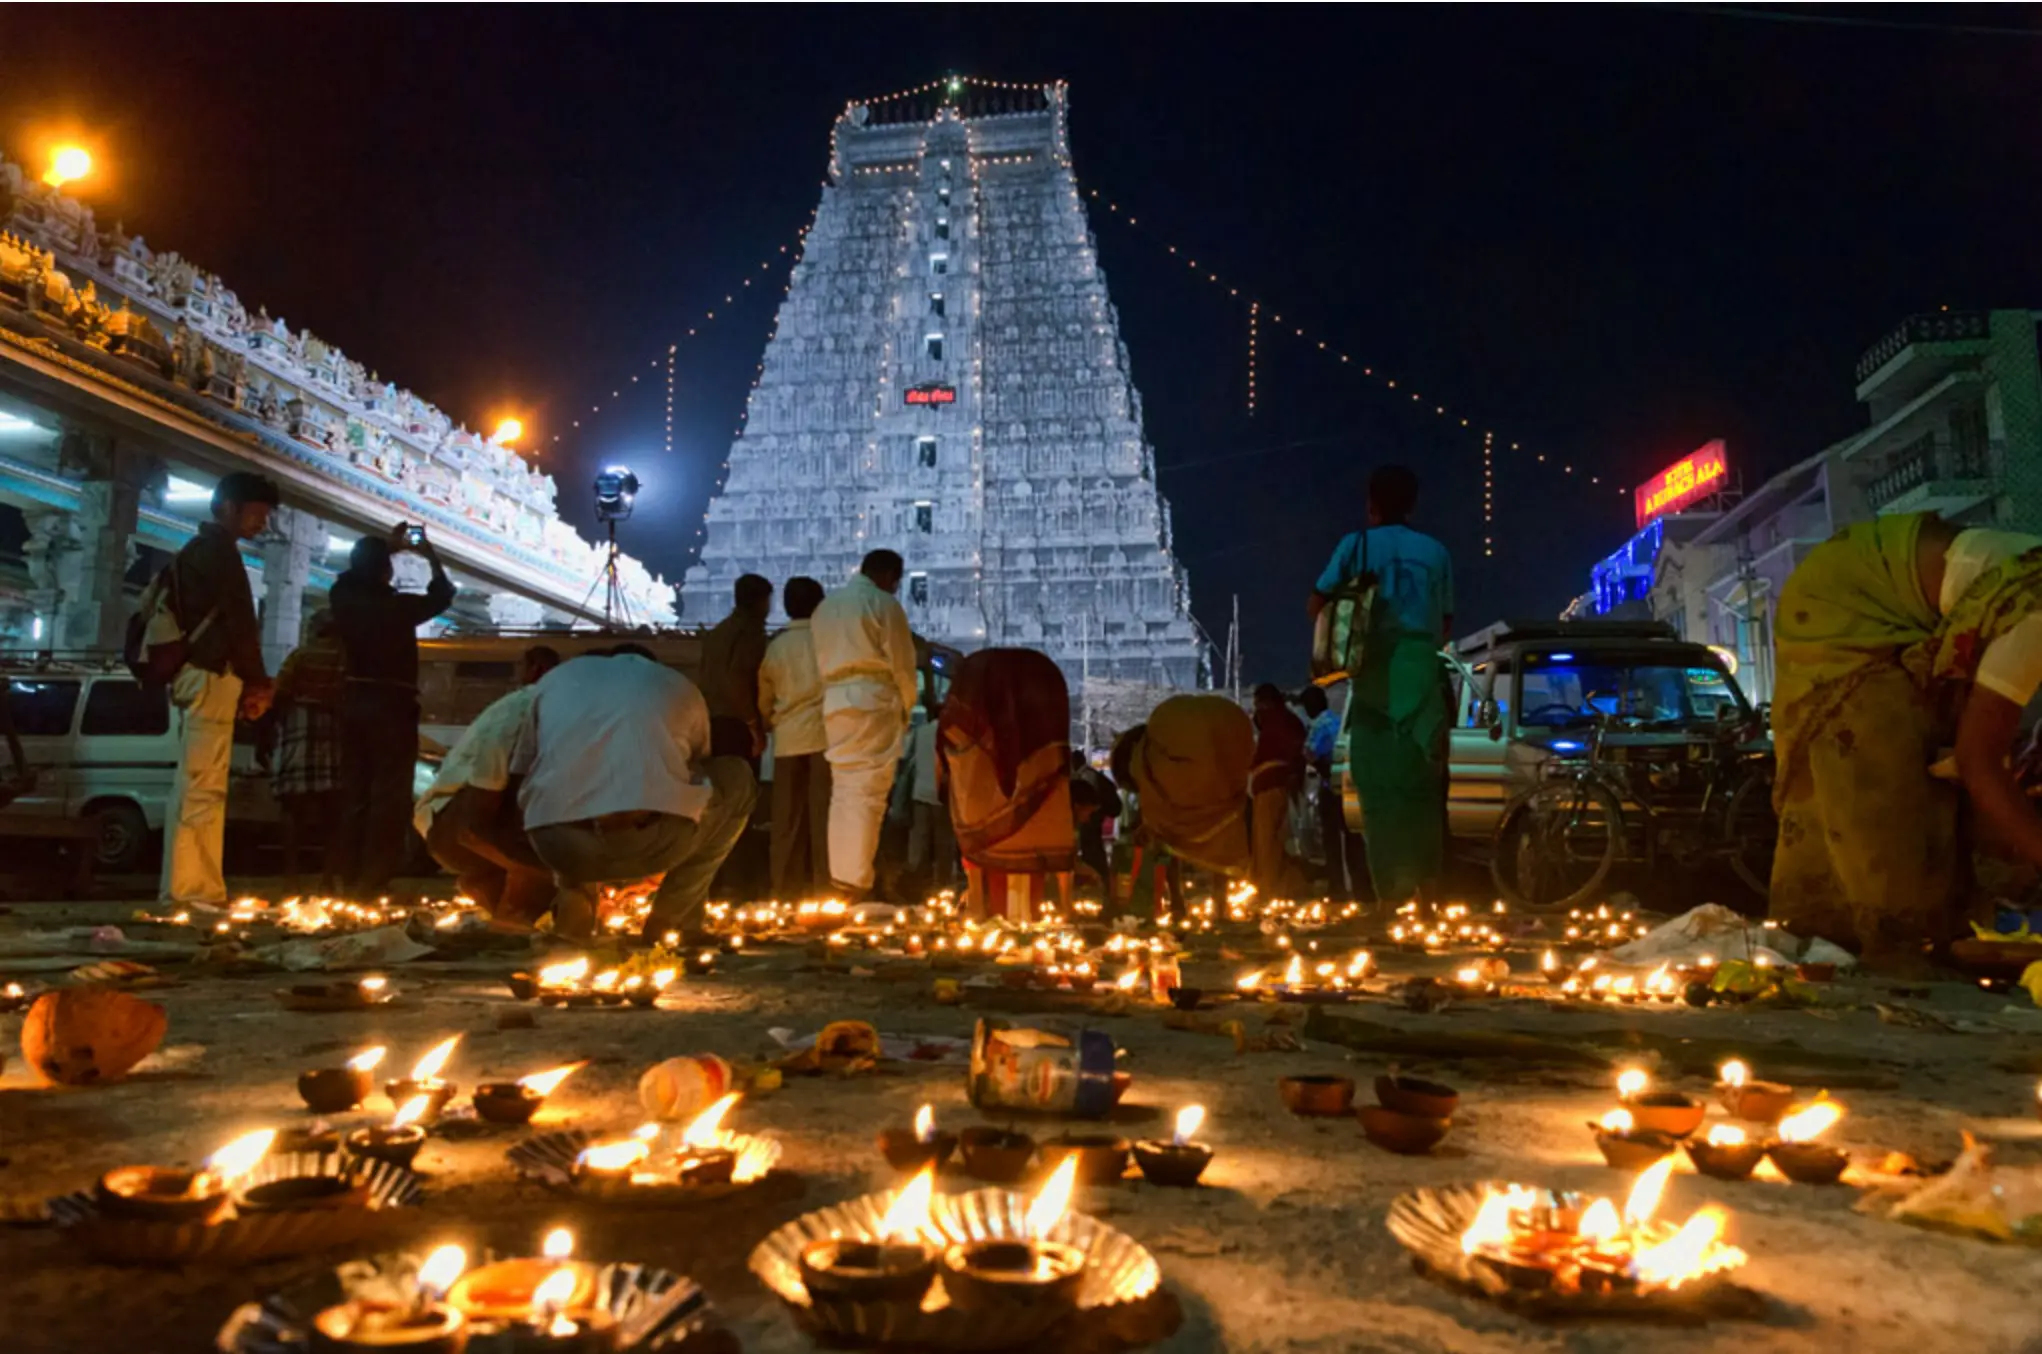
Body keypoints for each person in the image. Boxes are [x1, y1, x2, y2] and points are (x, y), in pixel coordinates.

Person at [1771, 514, 2042, 968]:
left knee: (1946, 778)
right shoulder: (2035, 618)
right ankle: (1890, 950)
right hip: (1848, 609)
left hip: (1894, 595)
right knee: (1886, 783)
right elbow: (1979, 762)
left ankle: (1931, 939)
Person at [512, 645, 757, 938]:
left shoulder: (558, 679)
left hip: (561, 848)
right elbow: (697, 766)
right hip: (652, 842)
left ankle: (575, 910)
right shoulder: (676, 684)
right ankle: (670, 923)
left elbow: (521, 770)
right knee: (735, 778)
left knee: (562, 788)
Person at [1309, 464, 1453, 905]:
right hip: (1423, 676)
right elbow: (1445, 623)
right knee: (1425, 791)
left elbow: (1318, 600)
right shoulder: (1434, 552)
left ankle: (1393, 897)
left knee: (1378, 795)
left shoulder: (1356, 546)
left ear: (1371, 503)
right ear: (1412, 503)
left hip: (1372, 674)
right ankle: (1427, 896)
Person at [161, 471, 279, 905]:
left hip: (197, 673)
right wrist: (258, 681)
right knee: (203, 787)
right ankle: (192, 891)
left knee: (196, 784)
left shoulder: (196, 551)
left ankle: (192, 886)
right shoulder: (219, 553)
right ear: (228, 507)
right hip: (211, 673)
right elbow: (240, 624)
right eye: (255, 514)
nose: (260, 525)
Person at [327, 525, 456, 898]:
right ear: (388, 571)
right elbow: (443, 593)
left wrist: (384, 548)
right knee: (390, 794)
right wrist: (426, 552)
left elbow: (353, 574)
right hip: (393, 705)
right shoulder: (399, 607)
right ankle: (373, 878)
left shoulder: (343, 598)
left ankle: (345, 875)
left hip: (353, 702)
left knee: (354, 792)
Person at [414, 645, 560, 923]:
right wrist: (534, 869)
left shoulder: (546, 707)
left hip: (466, 829)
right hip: (459, 826)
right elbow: (475, 818)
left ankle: (504, 896)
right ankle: (516, 897)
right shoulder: (526, 706)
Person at [812, 549, 918, 899]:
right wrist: (907, 705)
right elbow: (902, 663)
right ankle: (856, 882)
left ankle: (842, 876)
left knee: (843, 790)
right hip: (873, 696)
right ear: (889, 575)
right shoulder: (883, 604)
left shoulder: (826, 608)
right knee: (869, 792)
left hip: (835, 699)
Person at [1111, 694, 1256, 890]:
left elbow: (1155, 815)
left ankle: (1178, 902)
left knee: (1170, 847)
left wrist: (1149, 826)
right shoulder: (1159, 749)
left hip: (1214, 796)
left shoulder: (1147, 761)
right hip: (1227, 794)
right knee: (1222, 854)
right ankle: (1220, 906)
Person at [758, 576, 830, 897]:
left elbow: (765, 698)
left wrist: (771, 721)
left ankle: (782, 893)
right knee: (824, 822)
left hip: (787, 742)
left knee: (785, 823)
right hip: (826, 740)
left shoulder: (776, 647)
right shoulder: (832, 643)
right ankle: (827, 892)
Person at [268, 609, 346, 891]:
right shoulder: (345, 659)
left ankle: (291, 876)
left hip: (298, 729)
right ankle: (328, 878)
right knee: (333, 811)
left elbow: (280, 693)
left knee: (293, 806)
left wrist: (267, 731)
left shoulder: (300, 656)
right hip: (335, 731)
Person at [1298, 685, 1368, 900]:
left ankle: (1337, 886)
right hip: (1351, 785)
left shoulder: (1319, 725)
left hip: (1332, 786)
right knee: (1354, 839)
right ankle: (1362, 887)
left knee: (1332, 840)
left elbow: (1309, 754)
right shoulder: (1339, 720)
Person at [701, 573, 773, 760]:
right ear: (760, 602)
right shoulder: (750, 634)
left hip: (713, 717)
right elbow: (738, 678)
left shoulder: (719, 632)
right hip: (738, 723)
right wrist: (753, 723)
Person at [1249, 683, 1307, 895]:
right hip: (1272, 786)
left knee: (1268, 842)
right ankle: (1279, 885)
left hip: (1272, 787)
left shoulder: (1278, 722)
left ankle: (1269, 888)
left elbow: (1288, 753)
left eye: (1258, 704)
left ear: (1267, 703)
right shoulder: (1287, 721)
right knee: (1274, 840)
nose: (1257, 710)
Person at [1070, 749, 1123, 909]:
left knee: (1094, 853)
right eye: (1088, 812)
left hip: (1093, 827)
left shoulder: (1087, 776)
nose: (1086, 817)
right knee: (1093, 854)